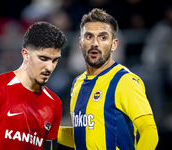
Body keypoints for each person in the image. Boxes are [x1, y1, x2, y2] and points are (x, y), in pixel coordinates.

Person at [58, 8, 158, 150]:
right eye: (89, 37)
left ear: (114, 44)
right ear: (80, 43)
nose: (95, 43)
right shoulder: (77, 84)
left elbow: (149, 130)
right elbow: (84, 137)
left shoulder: (124, 81)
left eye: (103, 37)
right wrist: (44, 130)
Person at [0, 21, 67, 150]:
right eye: (43, 59)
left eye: (55, 60)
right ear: (26, 54)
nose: (49, 67)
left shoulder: (55, 103)